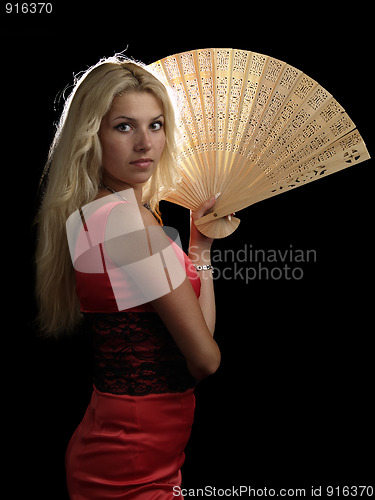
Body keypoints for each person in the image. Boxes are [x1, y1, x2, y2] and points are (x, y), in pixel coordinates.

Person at [35, 56, 221, 499]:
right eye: (124, 126)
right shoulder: (126, 223)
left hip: (130, 443)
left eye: (155, 125)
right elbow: (205, 360)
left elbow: (193, 338)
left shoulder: (90, 213)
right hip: (132, 460)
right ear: (91, 136)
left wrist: (200, 249)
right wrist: (198, 257)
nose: (145, 143)